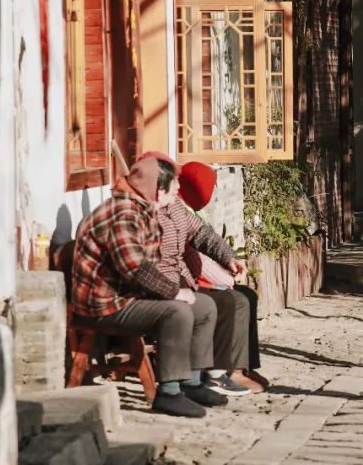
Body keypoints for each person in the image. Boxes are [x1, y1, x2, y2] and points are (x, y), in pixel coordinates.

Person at [71, 156, 227, 418]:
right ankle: (169, 392)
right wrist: (174, 292)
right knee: (176, 312)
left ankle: (192, 383)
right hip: (106, 304)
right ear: (158, 189)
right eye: (174, 184)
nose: (178, 188)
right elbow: (135, 268)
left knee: (204, 307)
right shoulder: (123, 214)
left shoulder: (145, 209)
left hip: (129, 295)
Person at [156, 158, 269, 395]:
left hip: (182, 280)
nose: (178, 186)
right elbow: (164, 262)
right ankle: (214, 374)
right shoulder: (142, 214)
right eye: (174, 182)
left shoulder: (176, 208)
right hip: (162, 287)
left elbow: (202, 235)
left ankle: (236, 368)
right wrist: (219, 281)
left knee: (243, 297)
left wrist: (228, 258)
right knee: (230, 301)